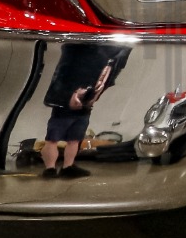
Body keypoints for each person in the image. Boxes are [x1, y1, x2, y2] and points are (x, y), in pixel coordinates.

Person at [40, 41, 130, 178]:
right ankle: (50, 169)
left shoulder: (112, 57)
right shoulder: (77, 51)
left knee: (75, 138)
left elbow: (110, 75)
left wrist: (95, 95)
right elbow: (64, 71)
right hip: (67, 101)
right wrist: (69, 95)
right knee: (53, 138)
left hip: (86, 103)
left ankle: (68, 166)